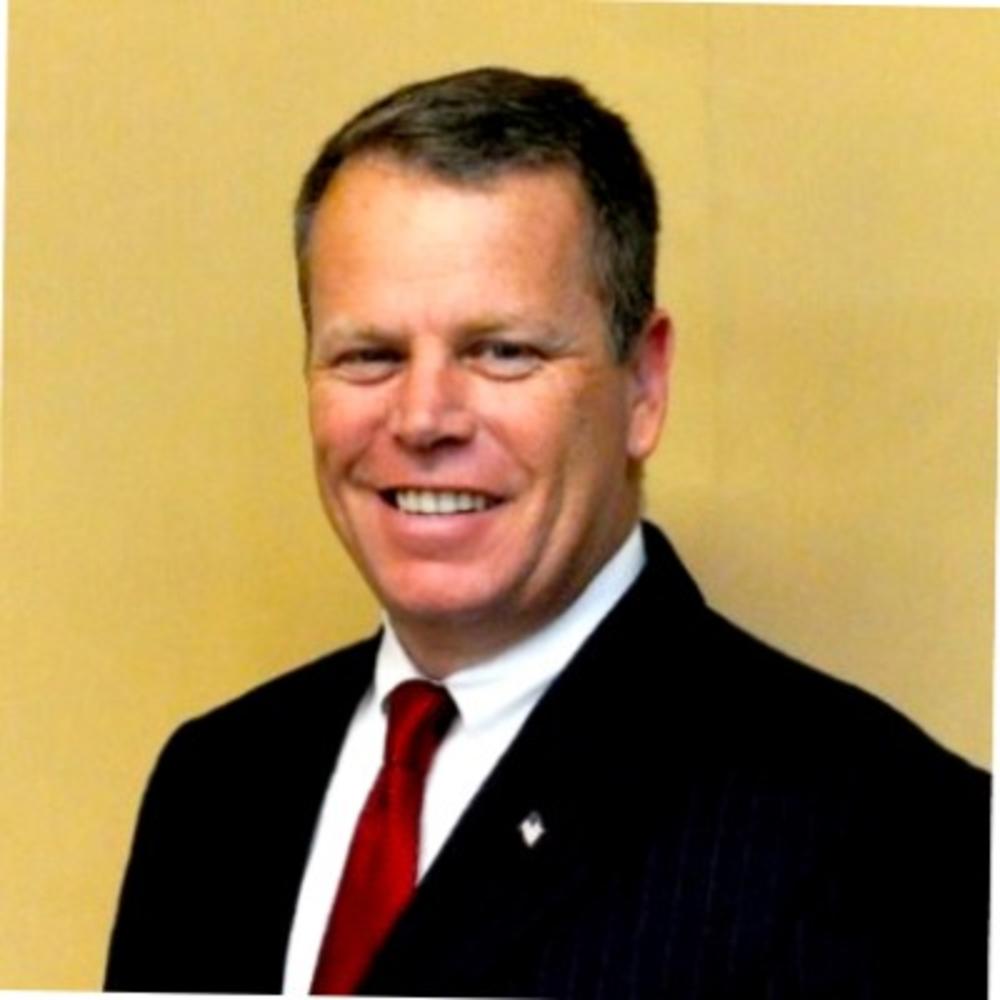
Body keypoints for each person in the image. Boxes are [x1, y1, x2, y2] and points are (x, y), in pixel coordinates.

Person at [104, 67, 988, 998]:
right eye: (370, 355)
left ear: (643, 388)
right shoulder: (216, 787)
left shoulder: (884, 832)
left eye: (502, 352)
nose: (424, 418)